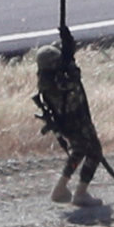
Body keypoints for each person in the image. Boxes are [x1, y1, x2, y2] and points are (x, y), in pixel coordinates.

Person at [33, 37, 104, 208]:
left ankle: (60, 188)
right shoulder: (58, 81)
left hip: (68, 123)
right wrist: (70, 62)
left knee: (78, 151)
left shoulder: (46, 80)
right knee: (95, 153)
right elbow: (74, 80)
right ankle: (81, 193)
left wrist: (68, 53)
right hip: (77, 122)